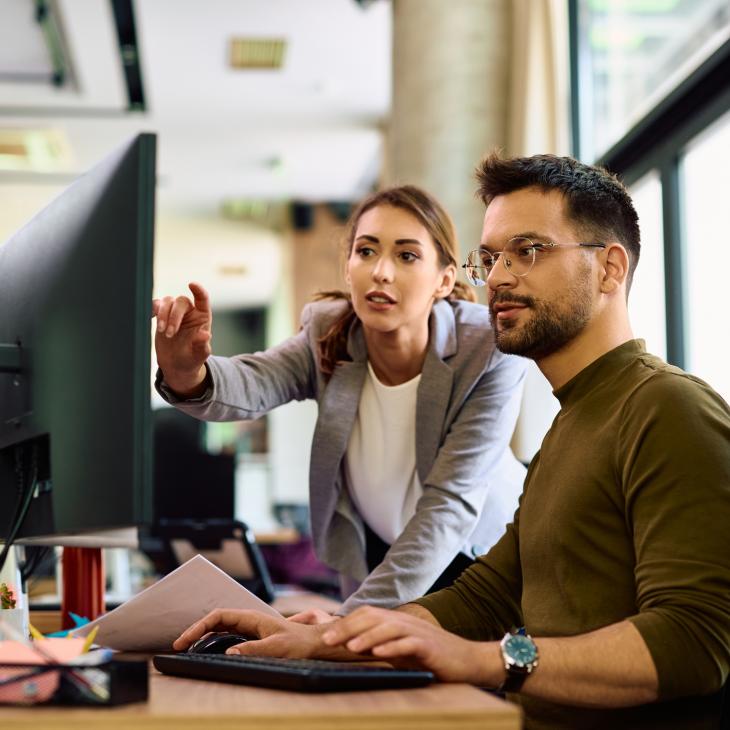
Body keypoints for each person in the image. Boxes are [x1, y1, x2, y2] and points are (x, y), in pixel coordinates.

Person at [173, 154, 730, 729]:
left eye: (529, 250)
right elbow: (485, 596)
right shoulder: (568, 427)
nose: (501, 277)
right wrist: (334, 637)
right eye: (490, 258)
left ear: (610, 269)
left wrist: (488, 660)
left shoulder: (669, 408)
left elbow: (696, 642)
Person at [153, 184, 527, 615]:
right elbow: (254, 381)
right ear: (348, 268)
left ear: (443, 280)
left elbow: (450, 506)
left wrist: (345, 623)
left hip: (481, 563)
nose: (381, 272)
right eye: (366, 251)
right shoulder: (330, 334)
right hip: (381, 560)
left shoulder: (487, 349)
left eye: (406, 256)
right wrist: (187, 373)